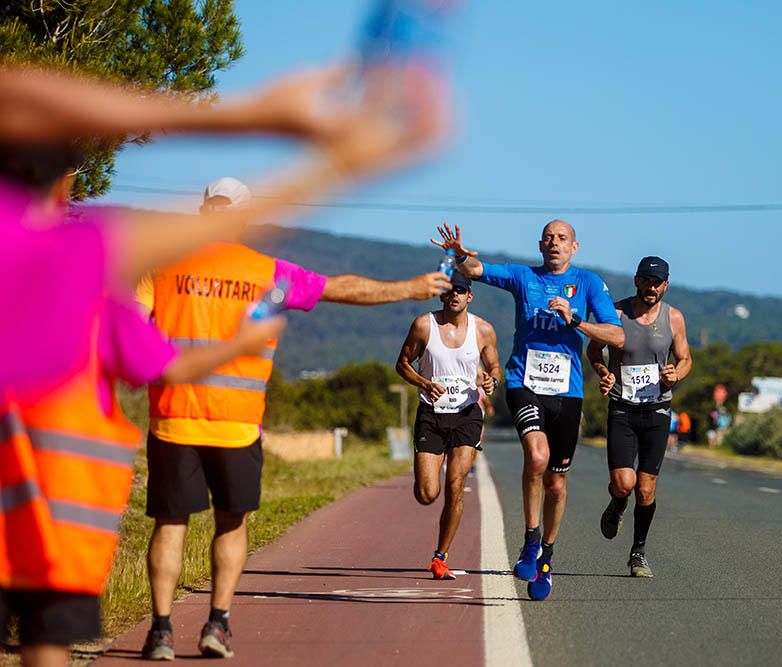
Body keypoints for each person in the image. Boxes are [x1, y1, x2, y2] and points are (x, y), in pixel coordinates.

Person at [135, 177, 451, 660]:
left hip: (173, 419)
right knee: (231, 524)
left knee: (170, 524)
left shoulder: (163, 268)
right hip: (237, 425)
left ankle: (160, 631)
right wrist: (408, 289)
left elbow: (128, 328)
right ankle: (217, 624)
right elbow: (339, 288)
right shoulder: (266, 272)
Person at [0, 61, 447, 400]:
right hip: (91, 488)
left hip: (196, 424)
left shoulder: (64, 250)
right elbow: (155, 361)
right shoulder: (65, 261)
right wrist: (335, 162)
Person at [0, 146, 284, 667]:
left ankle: (172, 629)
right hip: (195, 426)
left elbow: (135, 325)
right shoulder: (87, 263)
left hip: (191, 422)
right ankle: (198, 623)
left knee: (181, 523)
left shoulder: (163, 265)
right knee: (218, 524)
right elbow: (146, 351)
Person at [434, 221, 624, 601]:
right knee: (537, 457)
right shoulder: (524, 276)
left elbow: (616, 335)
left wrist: (576, 320)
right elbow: (476, 270)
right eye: (549, 238)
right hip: (525, 383)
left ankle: (547, 557)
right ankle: (530, 538)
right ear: (540, 245)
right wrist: (458, 253)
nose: (555, 243)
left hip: (567, 393)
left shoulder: (588, 283)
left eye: (562, 239)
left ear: (575, 246)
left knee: (557, 482)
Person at [587, 256, 692, 578]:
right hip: (622, 407)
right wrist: (603, 371)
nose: (651, 287)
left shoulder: (674, 318)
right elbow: (593, 351)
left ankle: (638, 552)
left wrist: (677, 374)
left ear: (666, 285)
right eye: (646, 280)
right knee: (624, 483)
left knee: (646, 489)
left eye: (657, 282)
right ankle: (618, 503)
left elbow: (686, 358)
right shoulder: (615, 314)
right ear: (636, 280)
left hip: (658, 410)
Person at [394, 273, 501, 580]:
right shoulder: (423, 325)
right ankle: (430, 495)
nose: (455, 295)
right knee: (427, 493)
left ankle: (440, 557)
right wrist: (424, 382)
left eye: (461, 291)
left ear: (470, 297)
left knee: (456, 487)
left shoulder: (483, 330)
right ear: (442, 296)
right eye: (450, 291)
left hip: (466, 413)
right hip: (431, 414)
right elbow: (402, 363)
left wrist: (491, 380)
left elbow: (494, 366)